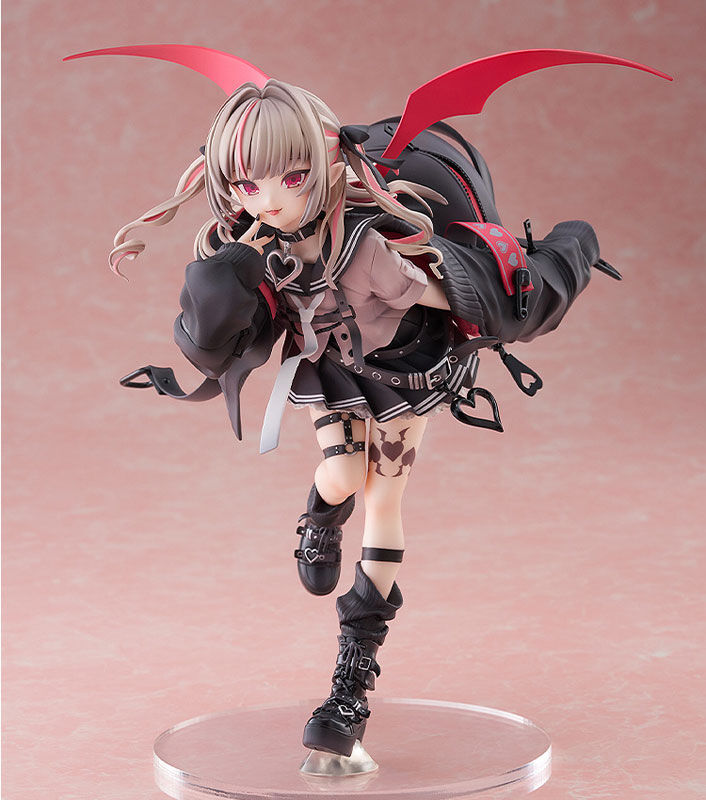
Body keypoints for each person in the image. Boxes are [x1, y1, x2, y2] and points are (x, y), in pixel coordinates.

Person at [67, 44, 668, 758]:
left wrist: (516, 276)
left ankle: (350, 681)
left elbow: (452, 293)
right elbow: (218, 333)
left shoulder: (365, 246)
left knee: (385, 500)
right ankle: (320, 517)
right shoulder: (254, 246)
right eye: (248, 184)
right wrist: (221, 285)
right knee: (342, 473)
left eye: (291, 177)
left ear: (323, 164)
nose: (270, 199)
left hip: (402, 376)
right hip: (327, 370)